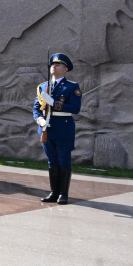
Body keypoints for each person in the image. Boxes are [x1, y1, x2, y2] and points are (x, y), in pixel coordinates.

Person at [33, 53, 81, 205]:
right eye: (52, 65)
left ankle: (63, 194)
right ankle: (54, 192)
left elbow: (76, 108)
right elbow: (36, 108)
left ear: (65, 69)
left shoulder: (72, 86)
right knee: (51, 161)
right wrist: (39, 120)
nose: (54, 67)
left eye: (58, 65)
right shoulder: (43, 86)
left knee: (63, 160)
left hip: (63, 128)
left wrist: (54, 103)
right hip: (46, 128)